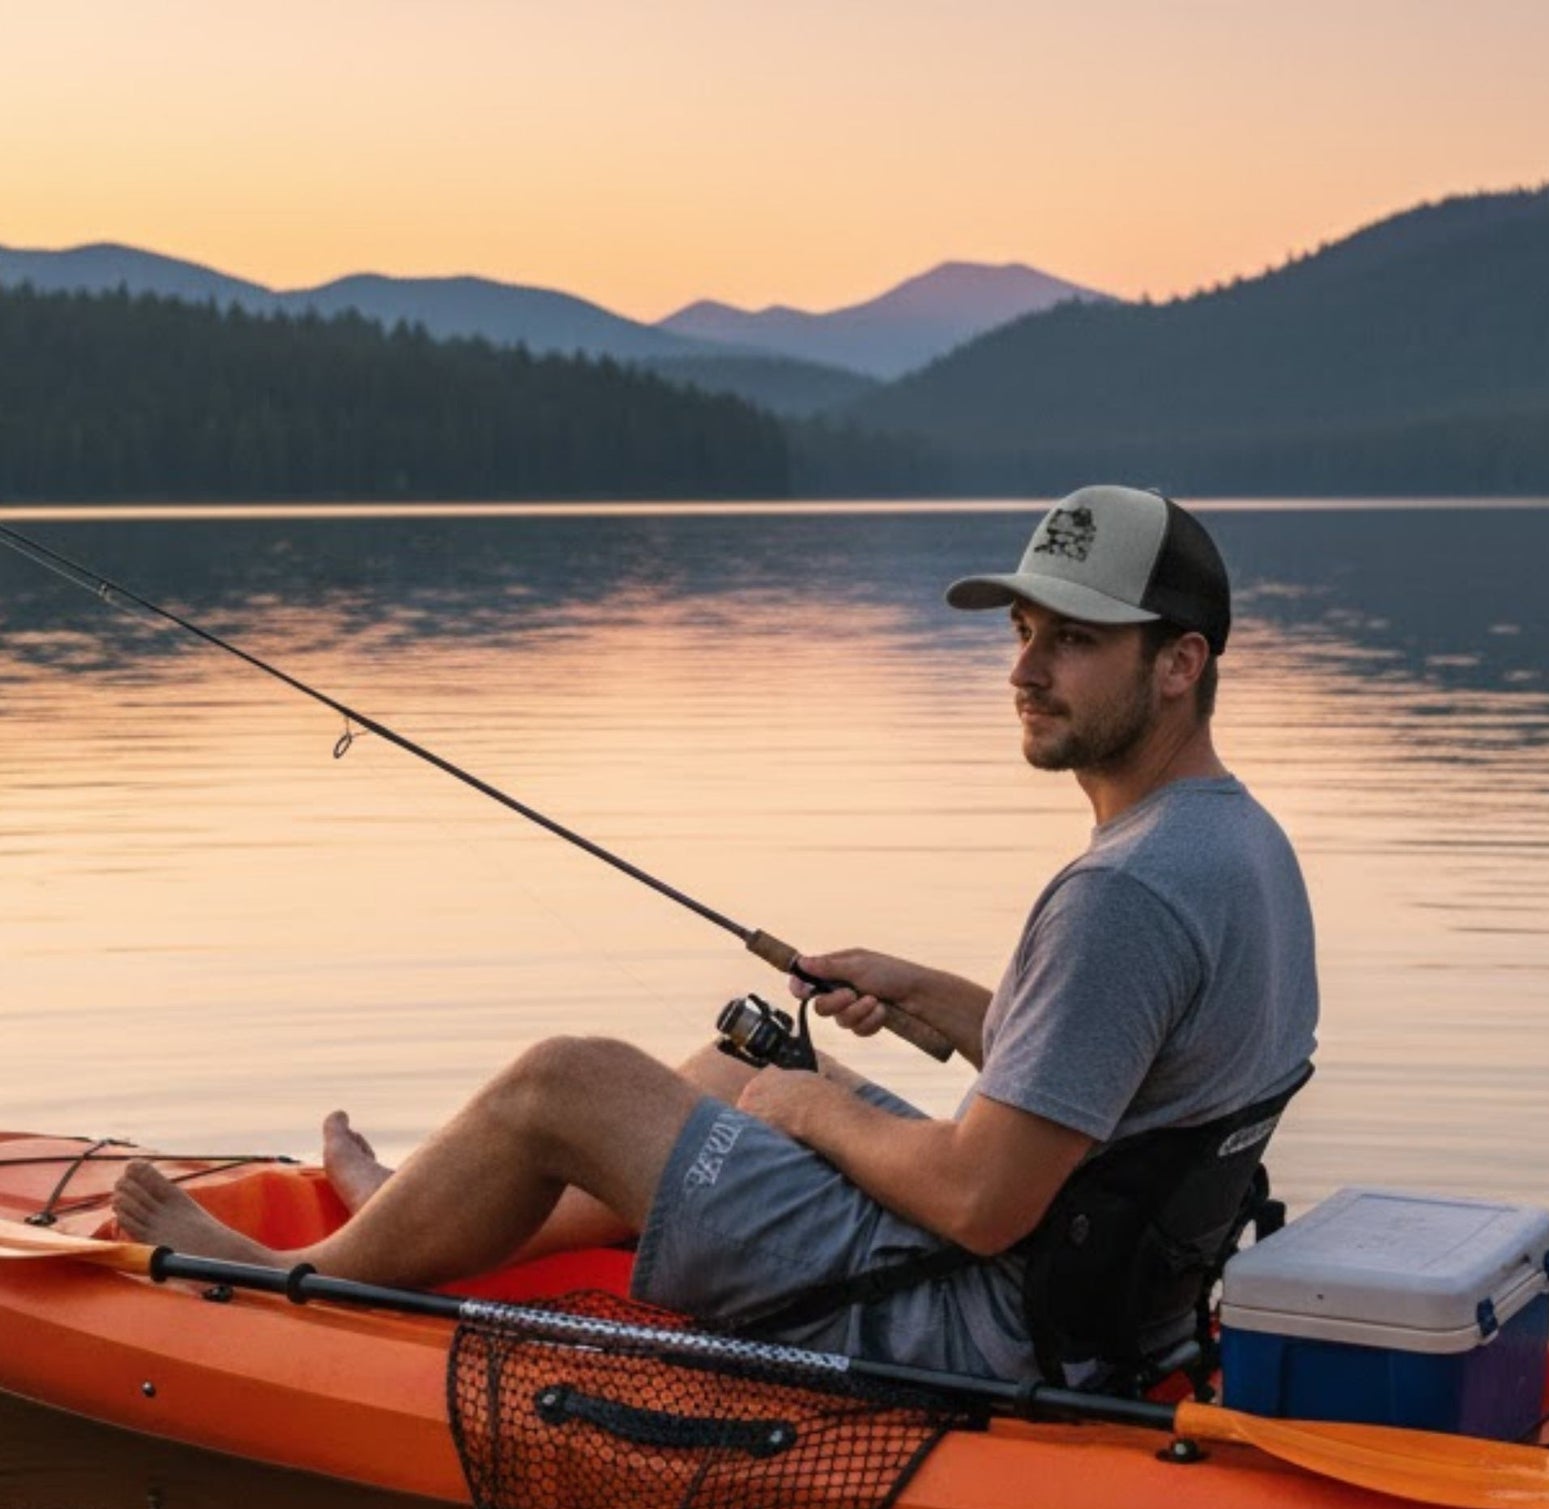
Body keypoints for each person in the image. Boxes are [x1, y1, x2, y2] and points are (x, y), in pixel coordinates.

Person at [113, 486, 1320, 1386]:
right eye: (1021, 631)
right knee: (733, 1068)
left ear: (1179, 663)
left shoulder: (1120, 893)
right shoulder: (1234, 842)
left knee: (565, 1080)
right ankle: (416, 1218)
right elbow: (1110, 1078)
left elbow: (980, 1201)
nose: (1026, 669)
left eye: (1074, 640)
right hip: (1107, 1304)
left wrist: (814, 1109)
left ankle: (287, 1275)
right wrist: (929, 994)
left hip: (979, 1322)